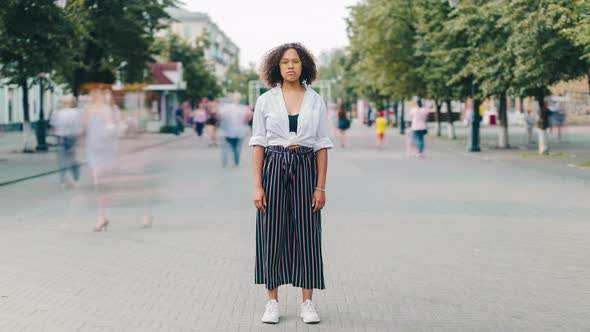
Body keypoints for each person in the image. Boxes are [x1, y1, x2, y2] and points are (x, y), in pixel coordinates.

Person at [249, 43, 333, 325]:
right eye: (285, 62)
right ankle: (272, 302)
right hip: (273, 166)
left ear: (303, 66)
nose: (290, 66)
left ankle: (307, 302)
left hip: (306, 165)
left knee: (307, 232)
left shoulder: (315, 100)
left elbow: (322, 145)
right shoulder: (265, 101)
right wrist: (257, 185)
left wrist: (320, 187)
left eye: (295, 61)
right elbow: (258, 143)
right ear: (277, 67)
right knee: (271, 231)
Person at [83, 86, 119, 231]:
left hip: (104, 147)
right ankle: (102, 216)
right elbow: (84, 126)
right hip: (93, 148)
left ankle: (103, 215)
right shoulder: (89, 109)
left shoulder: (106, 109)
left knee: (102, 182)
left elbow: (111, 126)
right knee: (98, 182)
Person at [50, 95, 82, 187]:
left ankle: (63, 180)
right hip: (73, 137)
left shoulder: (56, 112)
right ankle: (76, 179)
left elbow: (53, 128)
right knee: (73, 159)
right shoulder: (77, 112)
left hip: (61, 138)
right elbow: (79, 126)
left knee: (62, 159)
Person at [218, 95, 248, 167]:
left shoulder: (224, 108)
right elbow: (248, 116)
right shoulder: (242, 108)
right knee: (237, 146)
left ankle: (225, 160)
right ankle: (236, 160)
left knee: (226, 146)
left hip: (227, 130)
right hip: (239, 130)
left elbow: (219, 116)